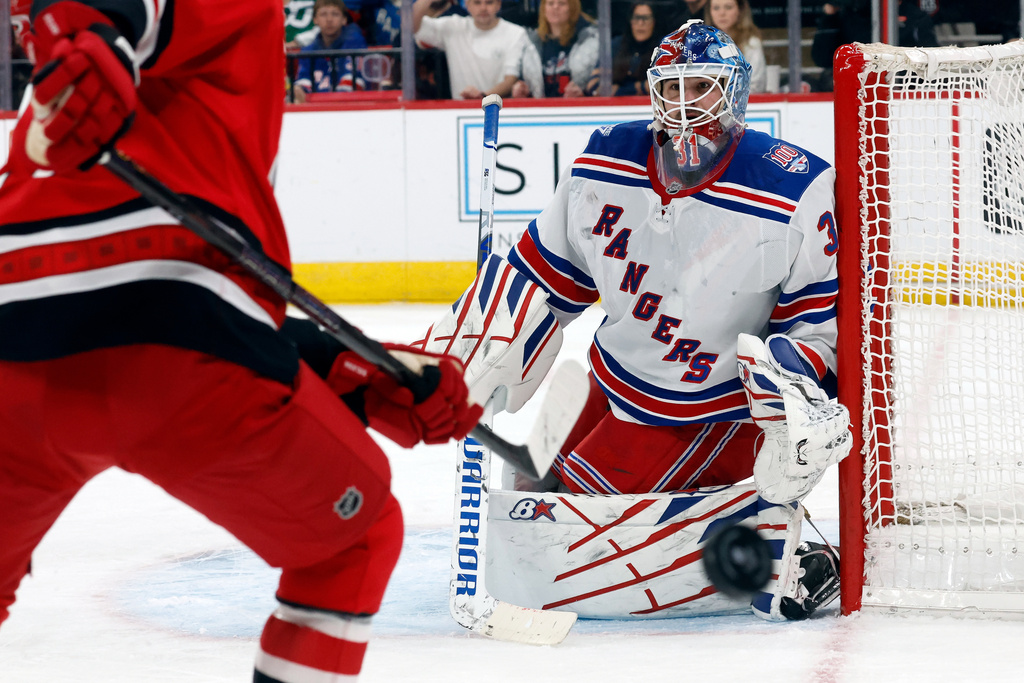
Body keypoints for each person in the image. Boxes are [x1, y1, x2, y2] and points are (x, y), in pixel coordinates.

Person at [0, 1, 481, 681]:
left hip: (13, 336)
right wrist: (90, 20)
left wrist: (339, 367)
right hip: (177, 337)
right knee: (352, 542)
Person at [420, 19, 849, 620]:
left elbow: (818, 327)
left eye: (699, 86)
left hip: (708, 410)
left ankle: (783, 556)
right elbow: (542, 275)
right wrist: (478, 344)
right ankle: (746, 534)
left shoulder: (795, 186)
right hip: (609, 380)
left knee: (560, 541)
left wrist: (787, 399)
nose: (682, 104)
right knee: (528, 504)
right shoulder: (605, 161)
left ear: (735, 91)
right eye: (669, 88)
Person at [811, 0, 937, 91]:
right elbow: (821, 59)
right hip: (856, 82)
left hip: (903, 84)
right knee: (829, 78)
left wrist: (900, 74)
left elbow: (931, 59)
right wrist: (829, 17)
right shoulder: (848, 13)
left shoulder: (915, 16)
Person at [412, 0, 527, 99]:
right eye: (477, 2)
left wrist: (482, 97)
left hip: (499, 110)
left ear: (498, 4)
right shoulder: (453, 26)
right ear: (467, 5)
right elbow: (410, 25)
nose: (483, 8)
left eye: (489, 2)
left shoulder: (515, 33)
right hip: (460, 110)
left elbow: (511, 79)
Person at [511, 0, 599, 98]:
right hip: (541, 110)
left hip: (580, 109)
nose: (555, 7)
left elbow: (599, 84)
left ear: (573, 8)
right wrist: (521, 90)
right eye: (550, 3)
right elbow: (526, 83)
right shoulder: (531, 43)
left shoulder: (591, 40)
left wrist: (584, 95)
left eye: (562, 3)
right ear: (543, 9)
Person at [292, 0, 369, 102]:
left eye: (335, 14)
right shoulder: (307, 50)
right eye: (323, 14)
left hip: (350, 107)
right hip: (316, 109)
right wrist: (299, 90)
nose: (329, 19)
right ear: (315, 19)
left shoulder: (355, 42)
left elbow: (353, 81)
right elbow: (304, 81)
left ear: (344, 19)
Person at [587, 1, 661, 96]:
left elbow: (659, 85)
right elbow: (592, 85)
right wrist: (640, 87)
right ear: (630, 21)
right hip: (613, 107)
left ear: (654, 22)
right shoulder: (616, 45)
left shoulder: (662, 48)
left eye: (646, 18)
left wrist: (619, 91)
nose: (640, 23)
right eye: (637, 18)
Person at [704, 0, 766, 93]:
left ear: (740, 10)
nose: (722, 13)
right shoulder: (702, 43)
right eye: (716, 8)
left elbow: (756, 85)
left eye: (728, 7)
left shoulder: (751, 43)